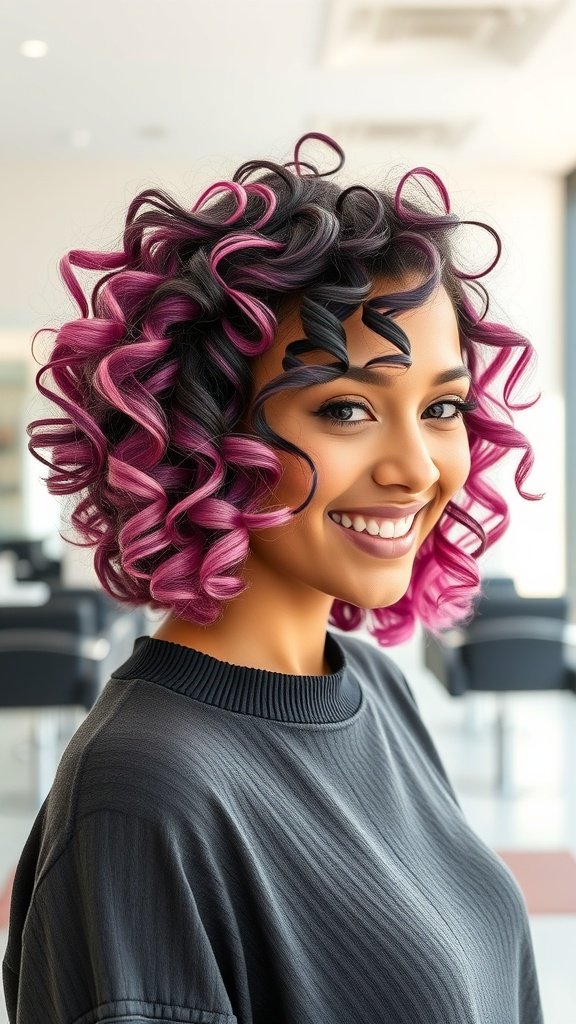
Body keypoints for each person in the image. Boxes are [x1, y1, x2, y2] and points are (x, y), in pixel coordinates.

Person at [3, 134, 543, 1023]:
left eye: (442, 408)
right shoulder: (143, 798)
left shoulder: (372, 688)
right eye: (346, 409)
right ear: (203, 435)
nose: (416, 467)